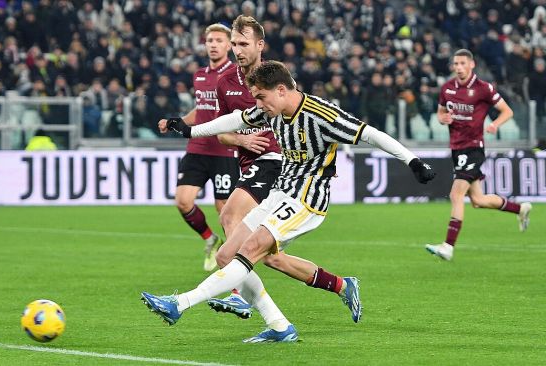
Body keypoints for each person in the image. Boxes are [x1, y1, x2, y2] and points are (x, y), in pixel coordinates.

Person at [142, 60, 436, 342]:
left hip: (307, 198)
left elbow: (371, 134)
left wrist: (412, 161)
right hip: (280, 193)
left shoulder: (321, 115)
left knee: (253, 248)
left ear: (281, 90)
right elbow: (237, 119)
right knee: (226, 255)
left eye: (261, 97)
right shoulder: (271, 110)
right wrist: (191, 129)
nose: (257, 104)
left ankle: (179, 304)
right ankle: (287, 322)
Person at [205, 15, 366, 329]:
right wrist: (238, 137)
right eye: (233, 43)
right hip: (247, 161)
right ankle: (341, 286)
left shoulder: (275, 77)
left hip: (276, 163)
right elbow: (223, 131)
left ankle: (238, 292)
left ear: (259, 46)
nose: (236, 49)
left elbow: (299, 118)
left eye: (242, 43)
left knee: (229, 219)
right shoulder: (224, 82)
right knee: (271, 257)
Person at [425, 49, 532, 261]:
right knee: (478, 200)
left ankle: (448, 246)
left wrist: (494, 124)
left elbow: (507, 111)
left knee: (456, 194)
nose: (458, 67)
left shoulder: (484, 88)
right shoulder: (447, 89)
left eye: (462, 63)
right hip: (456, 149)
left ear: (471, 65)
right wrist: (442, 118)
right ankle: (521, 209)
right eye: (455, 64)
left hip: (473, 148)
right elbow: (440, 113)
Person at [156, 24, 240, 271]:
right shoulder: (200, 75)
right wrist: (177, 122)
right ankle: (210, 239)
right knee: (183, 201)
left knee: (224, 211)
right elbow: (201, 109)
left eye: (218, 40)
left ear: (228, 46)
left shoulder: (236, 73)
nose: (213, 44)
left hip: (224, 150)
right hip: (197, 147)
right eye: (210, 40)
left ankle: (233, 264)